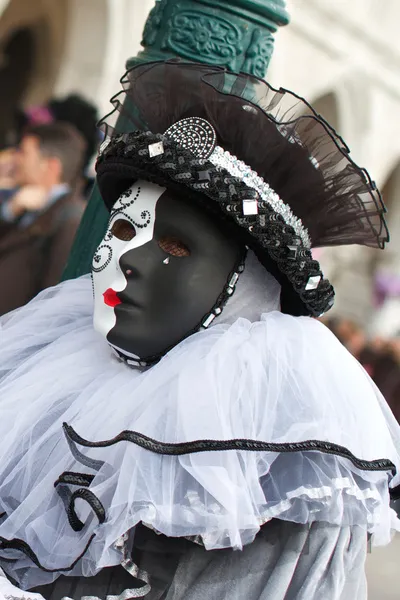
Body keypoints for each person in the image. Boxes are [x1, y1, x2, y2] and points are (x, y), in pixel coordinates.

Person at [0, 60, 400, 600]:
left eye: (175, 245)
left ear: (245, 288)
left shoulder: (280, 466)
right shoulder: (50, 375)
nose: (129, 259)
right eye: (123, 227)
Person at [0, 122, 86, 315]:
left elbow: (52, 296)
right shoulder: (23, 202)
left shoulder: (69, 220)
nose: (16, 159)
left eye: (24, 153)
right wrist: (10, 211)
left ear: (51, 166)